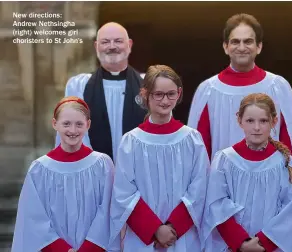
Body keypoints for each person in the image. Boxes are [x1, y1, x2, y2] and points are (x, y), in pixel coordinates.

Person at [187, 13, 292, 202]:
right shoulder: (208, 90)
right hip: (223, 193)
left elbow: (289, 141)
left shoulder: (278, 87)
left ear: (259, 46)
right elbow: (199, 148)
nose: (242, 47)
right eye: (235, 41)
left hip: (270, 189)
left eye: (248, 41)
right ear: (225, 47)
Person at [109, 65, 209, 251]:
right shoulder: (131, 141)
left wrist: (173, 228)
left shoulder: (192, 139)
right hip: (144, 239)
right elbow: (124, 192)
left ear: (179, 93)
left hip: (182, 237)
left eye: (171, 94)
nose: (165, 100)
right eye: (158, 94)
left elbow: (199, 188)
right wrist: (154, 229)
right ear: (145, 94)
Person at [202, 93, 292, 252]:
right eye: (250, 120)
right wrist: (241, 242)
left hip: (272, 247)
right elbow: (216, 204)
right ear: (239, 120)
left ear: (274, 121)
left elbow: (291, 211)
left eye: (263, 121)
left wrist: (262, 243)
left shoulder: (285, 162)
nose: (256, 127)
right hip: (233, 246)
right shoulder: (225, 160)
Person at [12, 96, 120, 252]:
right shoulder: (40, 169)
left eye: (79, 124)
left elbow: (107, 212)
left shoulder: (102, 165)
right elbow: (33, 217)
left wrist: (89, 248)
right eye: (66, 124)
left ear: (88, 125)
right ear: (55, 124)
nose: (73, 130)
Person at [56, 22, 146, 163]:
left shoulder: (149, 84)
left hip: (139, 171)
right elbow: (67, 133)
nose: (112, 46)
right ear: (96, 46)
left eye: (118, 41)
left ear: (129, 44)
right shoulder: (79, 85)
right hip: (92, 172)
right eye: (105, 42)